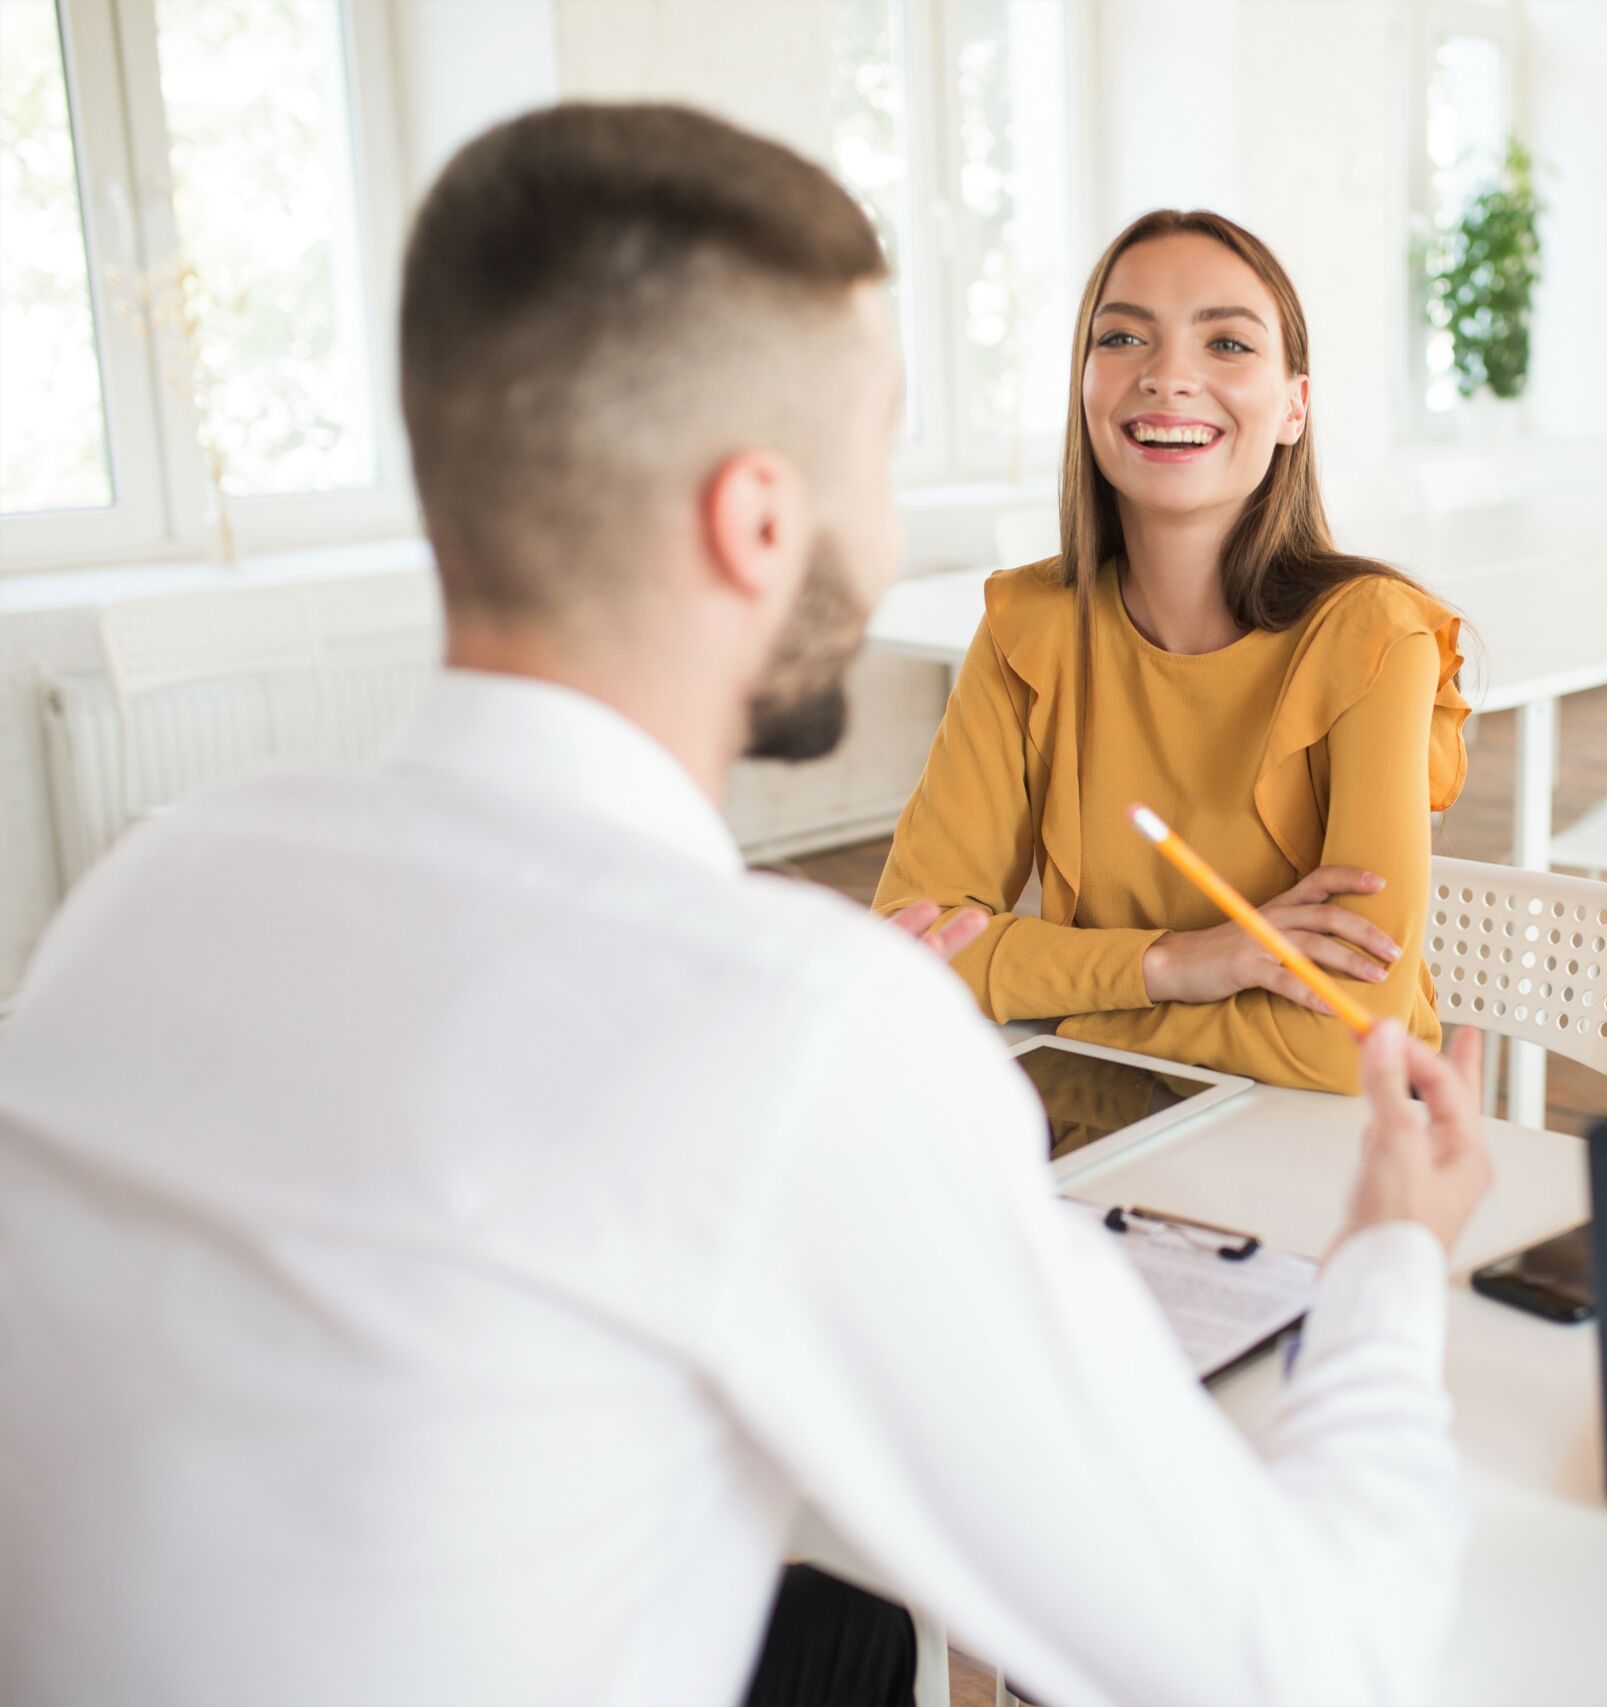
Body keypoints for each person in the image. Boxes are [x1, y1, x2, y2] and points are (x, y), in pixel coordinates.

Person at [0, 103, 1492, 1707]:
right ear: (760, 518)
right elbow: (1312, 1660)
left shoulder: (144, 892)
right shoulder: (795, 1037)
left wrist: (1012, 981)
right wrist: (1396, 1251)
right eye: (877, 446)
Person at [873, 210, 1470, 1095]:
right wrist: (1181, 962)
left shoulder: (1375, 636)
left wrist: (1053, 1008)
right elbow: (910, 947)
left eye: (1226, 344)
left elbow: (1352, 1042)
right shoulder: (1025, 629)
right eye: (1122, 337)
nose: (1167, 377)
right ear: (1084, 386)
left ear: (1293, 407)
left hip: (1336, 1151)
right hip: (1110, 1138)